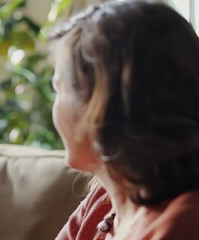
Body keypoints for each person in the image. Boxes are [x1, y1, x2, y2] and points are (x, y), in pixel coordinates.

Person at [48, 0, 199, 239]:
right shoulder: (104, 200)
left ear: (99, 106)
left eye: (58, 89)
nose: (53, 108)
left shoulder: (182, 224)